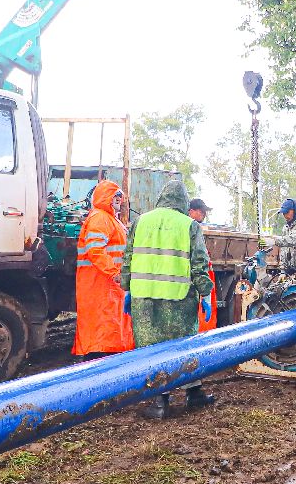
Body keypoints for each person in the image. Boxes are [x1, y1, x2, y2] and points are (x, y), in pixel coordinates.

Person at [121, 179, 215, 419]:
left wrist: (127, 289)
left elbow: (128, 257)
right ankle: (193, 394)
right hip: (178, 298)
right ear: (184, 201)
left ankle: (159, 402)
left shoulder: (141, 221)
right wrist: (205, 293)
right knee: (184, 347)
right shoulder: (189, 225)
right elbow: (199, 265)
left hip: (144, 298)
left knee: (151, 350)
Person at [72, 180, 131, 357]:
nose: (119, 199)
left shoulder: (109, 219)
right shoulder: (100, 218)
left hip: (105, 285)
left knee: (107, 328)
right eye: (116, 196)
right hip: (101, 285)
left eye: (120, 196)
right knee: (101, 330)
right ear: (106, 197)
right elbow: (95, 250)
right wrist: (115, 273)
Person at [189, 197, 219, 330]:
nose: (204, 214)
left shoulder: (196, 229)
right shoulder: (190, 228)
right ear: (191, 211)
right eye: (201, 211)